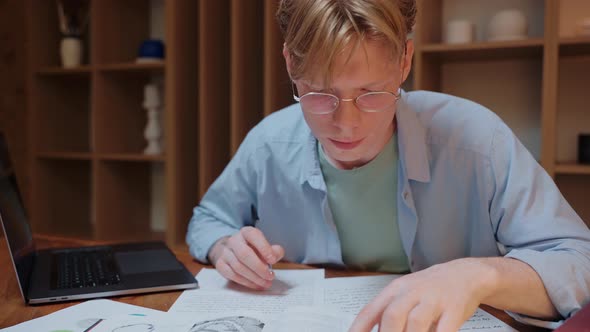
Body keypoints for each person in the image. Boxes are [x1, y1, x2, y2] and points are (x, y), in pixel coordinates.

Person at [186, 0, 590, 330]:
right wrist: (225, 246)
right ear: (291, 64)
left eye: (372, 94)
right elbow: (207, 220)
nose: (346, 125)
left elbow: (579, 261)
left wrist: (477, 276)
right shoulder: (269, 143)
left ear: (404, 61)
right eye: (319, 94)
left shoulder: (477, 140)